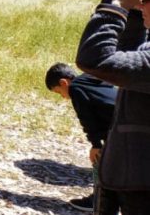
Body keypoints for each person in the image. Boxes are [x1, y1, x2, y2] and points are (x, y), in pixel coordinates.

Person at [76, 0, 150, 215]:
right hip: (131, 178)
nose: (140, 3)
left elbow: (96, 58)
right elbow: (127, 45)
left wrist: (118, 6)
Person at [45, 62, 117, 213]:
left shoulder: (76, 89)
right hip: (129, 121)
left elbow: (87, 119)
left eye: (60, 92)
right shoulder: (90, 78)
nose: (64, 97)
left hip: (118, 129)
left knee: (99, 163)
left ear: (64, 82)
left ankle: (98, 201)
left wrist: (96, 144)